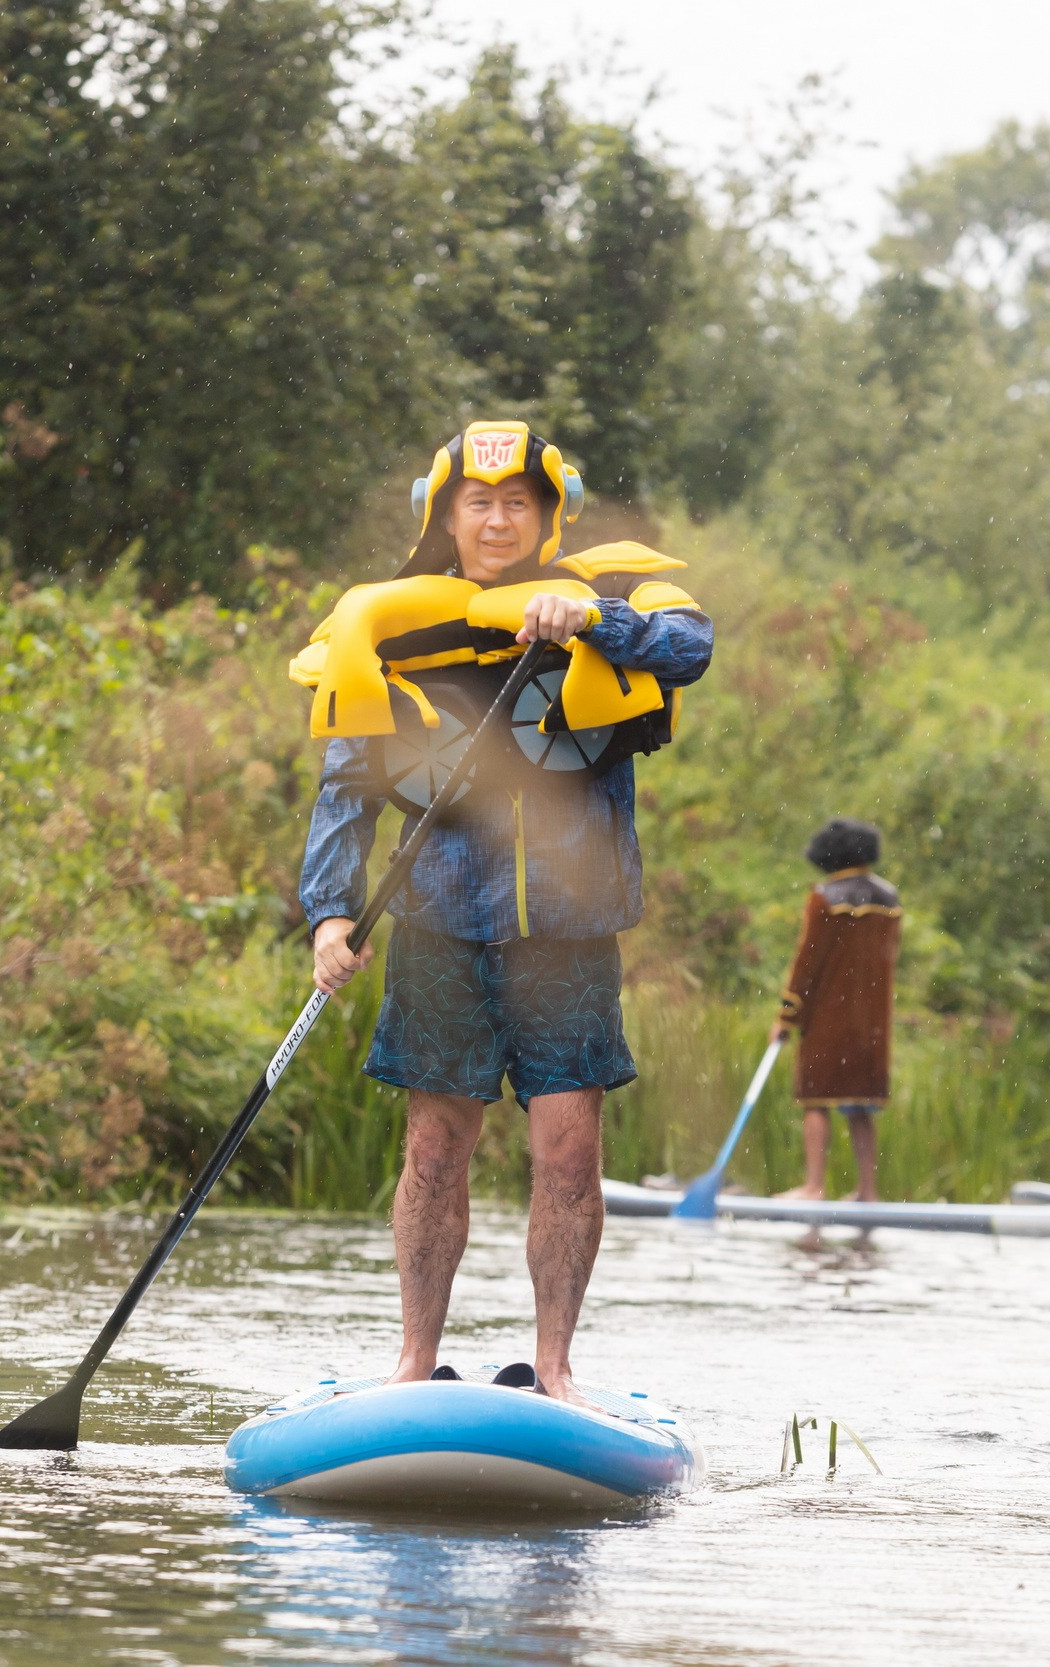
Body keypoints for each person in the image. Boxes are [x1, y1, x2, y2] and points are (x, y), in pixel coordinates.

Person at [294, 420, 712, 1405]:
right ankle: (412, 1358)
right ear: (446, 513)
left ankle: (556, 1367)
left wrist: (589, 622)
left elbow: (688, 647)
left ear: (546, 512)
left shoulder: (614, 598)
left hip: (567, 930)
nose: (495, 518)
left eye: (515, 502)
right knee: (433, 1148)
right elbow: (345, 784)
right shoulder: (388, 627)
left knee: (568, 1152)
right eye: (476, 502)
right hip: (438, 921)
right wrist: (328, 913)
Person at [771, 818, 901, 1202]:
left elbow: (806, 964)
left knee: (816, 1099)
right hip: (872, 1023)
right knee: (861, 1105)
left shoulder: (825, 897)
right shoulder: (890, 899)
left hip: (828, 1018)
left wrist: (787, 1015)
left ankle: (814, 1185)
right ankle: (867, 1190)